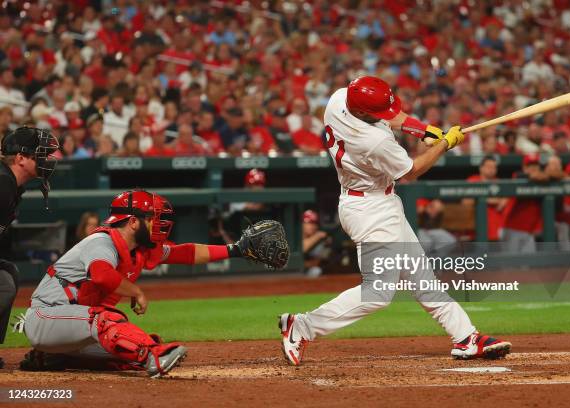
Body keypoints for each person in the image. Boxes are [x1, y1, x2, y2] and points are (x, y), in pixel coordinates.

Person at [279, 76, 511, 366]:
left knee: (422, 277)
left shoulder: (340, 98)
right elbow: (410, 172)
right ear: (363, 112)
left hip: (375, 202)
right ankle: (302, 326)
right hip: (370, 209)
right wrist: (444, 145)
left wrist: (423, 130)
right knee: (378, 292)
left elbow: (392, 115)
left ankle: (466, 337)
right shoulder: (372, 141)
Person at [18, 189, 287, 377]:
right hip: (47, 316)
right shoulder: (102, 242)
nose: (158, 223)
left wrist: (235, 249)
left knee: (123, 352)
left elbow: (185, 252)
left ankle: (53, 356)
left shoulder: (141, 250)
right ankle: (154, 357)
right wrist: (136, 291)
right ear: (133, 221)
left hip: (72, 327)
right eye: (151, 218)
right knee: (107, 321)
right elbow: (101, 274)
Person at [0, 127, 59, 369]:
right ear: (20, 158)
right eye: (39, 155)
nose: (46, 161)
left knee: (6, 276)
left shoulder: (9, 184)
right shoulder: (2, 183)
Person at [302, 210, 331, 278]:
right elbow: (302, 248)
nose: (312, 226)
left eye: (314, 223)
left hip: (307, 272)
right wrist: (317, 236)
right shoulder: (293, 236)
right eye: (309, 223)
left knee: (316, 270)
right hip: (286, 274)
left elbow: (316, 262)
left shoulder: (319, 241)